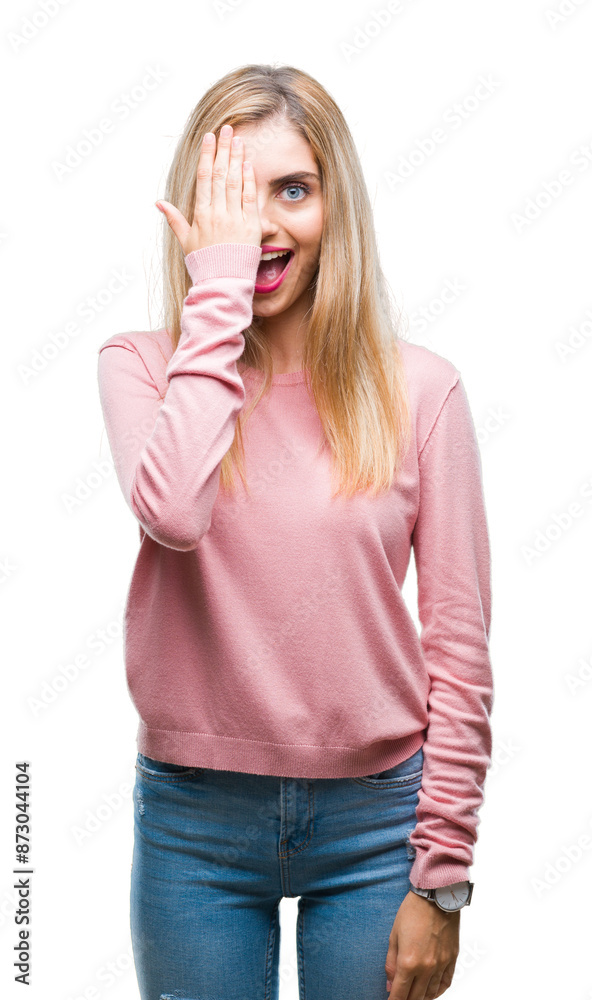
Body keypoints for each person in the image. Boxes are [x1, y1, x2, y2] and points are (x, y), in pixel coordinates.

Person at [96, 63, 494, 1000]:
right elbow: (173, 511)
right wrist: (217, 294)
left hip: (375, 822)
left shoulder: (422, 390)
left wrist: (442, 881)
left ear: (336, 205)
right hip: (193, 822)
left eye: (294, 190)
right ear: (194, 214)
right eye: (234, 195)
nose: (264, 225)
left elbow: (460, 643)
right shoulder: (142, 368)